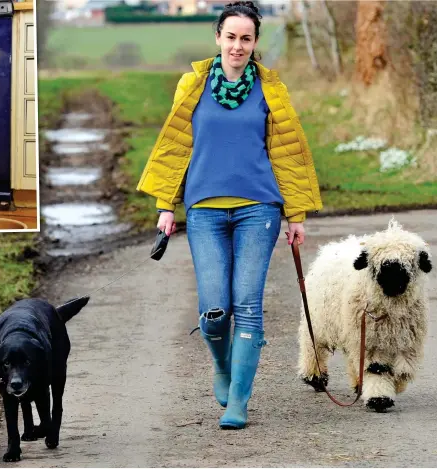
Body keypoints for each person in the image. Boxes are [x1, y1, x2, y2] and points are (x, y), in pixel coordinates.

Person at [137, 1, 322, 429]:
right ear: (217, 37)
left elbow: (287, 155)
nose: (238, 46)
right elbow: (175, 147)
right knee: (214, 308)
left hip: (259, 209)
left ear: (255, 43)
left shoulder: (271, 88)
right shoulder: (192, 84)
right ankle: (221, 366)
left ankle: (238, 401)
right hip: (203, 211)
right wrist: (166, 205)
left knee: (249, 307)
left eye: (246, 38)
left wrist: (296, 215)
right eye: (231, 36)